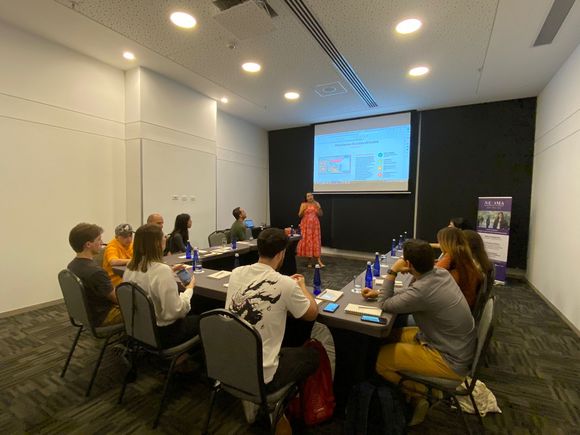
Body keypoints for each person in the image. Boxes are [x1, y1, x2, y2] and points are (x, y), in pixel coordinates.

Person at [361, 239, 476, 426]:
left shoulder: (422, 291)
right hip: (453, 345)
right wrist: (382, 292)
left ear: (408, 264)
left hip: (449, 360)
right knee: (391, 335)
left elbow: (385, 305)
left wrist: (392, 272)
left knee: (380, 359)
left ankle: (420, 394)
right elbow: (415, 293)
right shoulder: (441, 273)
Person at [226, 228, 319, 394]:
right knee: (312, 356)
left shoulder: (236, 273)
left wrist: (287, 285)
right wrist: (302, 287)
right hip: (261, 375)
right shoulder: (286, 284)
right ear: (281, 253)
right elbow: (312, 313)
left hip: (230, 365)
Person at [123, 224, 198, 348]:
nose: (166, 238)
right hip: (164, 334)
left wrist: (169, 271)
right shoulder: (161, 270)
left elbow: (146, 279)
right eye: (163, 236)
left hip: (139, 328)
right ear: (157, 244)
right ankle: (185, 357)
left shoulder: (131, 266)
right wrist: (189, 289)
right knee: (205, 319)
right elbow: (175, 311)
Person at [67, 223, 122, 326]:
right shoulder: (96, 272)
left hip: (86, 314)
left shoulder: (71, 266)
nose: (102, 242)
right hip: (102, 316)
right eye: (99, 239)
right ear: (88, 244)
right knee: (145, 308)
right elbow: (117, 299)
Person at [435, 227, 482, 308]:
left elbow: (433, 274)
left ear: (445, 242)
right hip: (466, 304)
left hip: (456, 307)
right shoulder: (463, 254)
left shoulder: (452, 254)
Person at [296, 192, 324, 268]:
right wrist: (303, 209)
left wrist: (319, 207)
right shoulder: (303, 204)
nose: (310, 197)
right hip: (306, 225)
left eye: (311, 195)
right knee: (308, 241)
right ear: (306, 198)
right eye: (308, 196)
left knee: (315, 241)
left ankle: (319, 261)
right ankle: (309, 261)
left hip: (315, 225)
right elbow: (300, 215)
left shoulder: (316, 204)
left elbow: (321, 214)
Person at [103, 223, 134, 289]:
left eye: (130, 235)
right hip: (114, 279)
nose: (129, 239)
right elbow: (113, 261)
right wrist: (133, 260)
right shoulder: (112, 246)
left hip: (127, 275)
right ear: (117, 237)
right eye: (125, 236)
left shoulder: (131, 244)